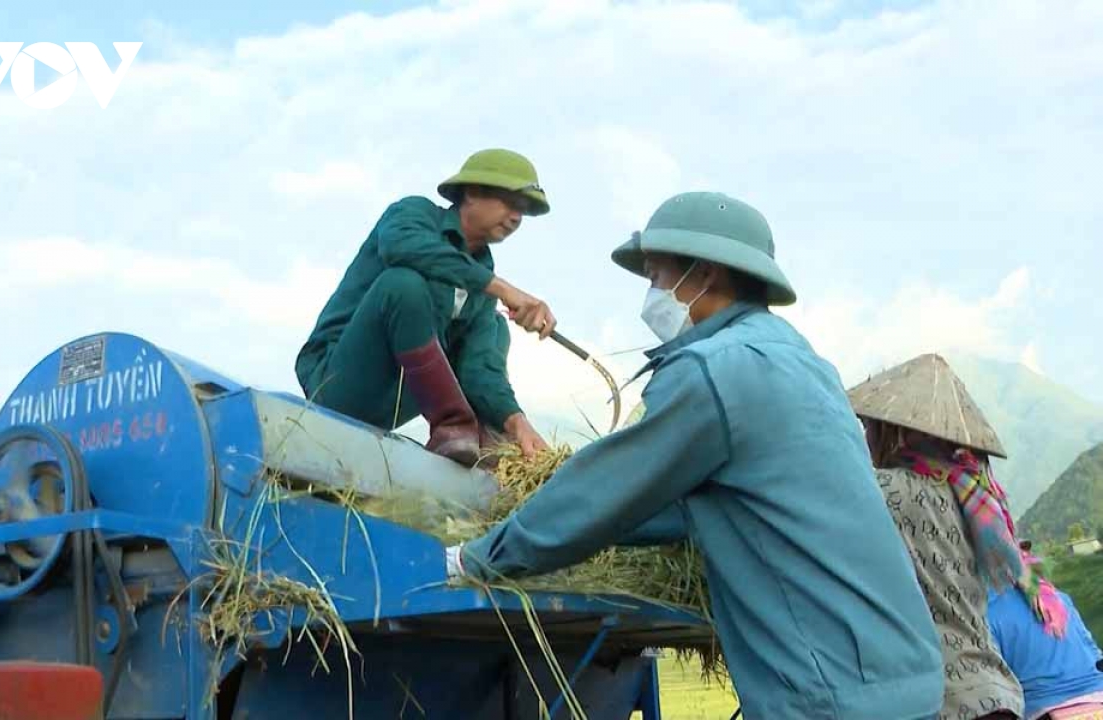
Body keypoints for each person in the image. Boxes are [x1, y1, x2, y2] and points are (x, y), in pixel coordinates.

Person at [445, 191, 944, 719]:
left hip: (832, 692)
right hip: (898, 675)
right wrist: (570, 519)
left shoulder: (716, 370)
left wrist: (478, 556)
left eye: (658, 275)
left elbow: (611, 490)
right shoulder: (800, 363)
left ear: (703, 275)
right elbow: (680, 506)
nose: (653, 293)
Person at [295, 149, 554, 467]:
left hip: (392, 403)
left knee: (495, 327)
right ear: (472, 193)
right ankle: (452, 424)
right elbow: (401, 248)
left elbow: (481, 368)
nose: (517, 217)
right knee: (402, 285)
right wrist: (499, 286)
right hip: (335, 383)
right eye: (511, 202)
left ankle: (489, 446)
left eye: (524, 210)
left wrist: (516, 421)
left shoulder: (482, 291)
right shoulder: (414, 214)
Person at [848, 353, 1027, 720]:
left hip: (944, 702)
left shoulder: (883, 490)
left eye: (870, 428)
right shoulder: (974, 496)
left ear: (892, 430)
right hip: (997, 692)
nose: (866, 439)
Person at [989, 549, 1103, 720]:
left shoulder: (988, 614)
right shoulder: (1060, 599)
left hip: (1043, 709)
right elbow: (1094, 654)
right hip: (1097, 698)